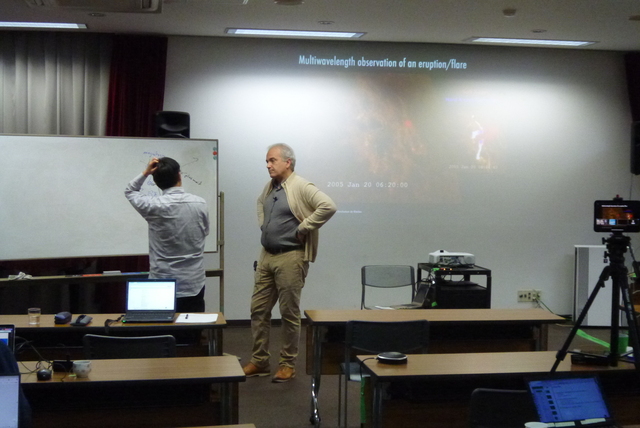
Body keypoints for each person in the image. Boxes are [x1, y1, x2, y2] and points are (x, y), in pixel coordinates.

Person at [243, 143, 337, 383]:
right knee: (258, 310)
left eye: (272, 160)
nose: (268, 165)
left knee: (288, 312)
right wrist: (264, 226)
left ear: (288, 162)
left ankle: (287, 364)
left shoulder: (301, 185)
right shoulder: (270, 187)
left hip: (291, 256)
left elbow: (328, 206)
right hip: (267, 255)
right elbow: (260, 204)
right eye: (267, 161)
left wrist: (304, 227)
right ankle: (260, 361)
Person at [125, 157, 210, 312]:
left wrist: (146, 173)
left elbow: (130, 191)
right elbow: (205, 232)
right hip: (193, 283)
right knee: (192, 326)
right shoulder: (200, 203)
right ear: (179, 175)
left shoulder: (152, 205)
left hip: (161, 284)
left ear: (156, 182)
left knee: (161, 325)